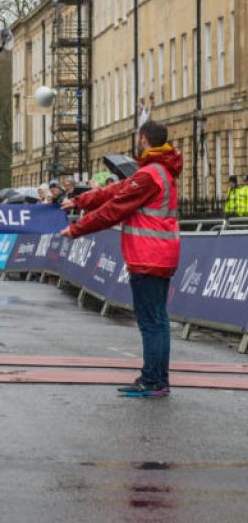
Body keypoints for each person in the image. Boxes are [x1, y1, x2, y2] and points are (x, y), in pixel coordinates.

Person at [59, 120, 182, 398]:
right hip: (162, 254)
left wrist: (76, 228)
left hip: (148, 255)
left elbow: (114, 208)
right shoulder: (159, 171)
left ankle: (151, 380)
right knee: (158, 319)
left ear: (142, 139)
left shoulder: (149, 174)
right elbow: (115, 191)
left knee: (150, 321)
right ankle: (159, 379)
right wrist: (79, 201)